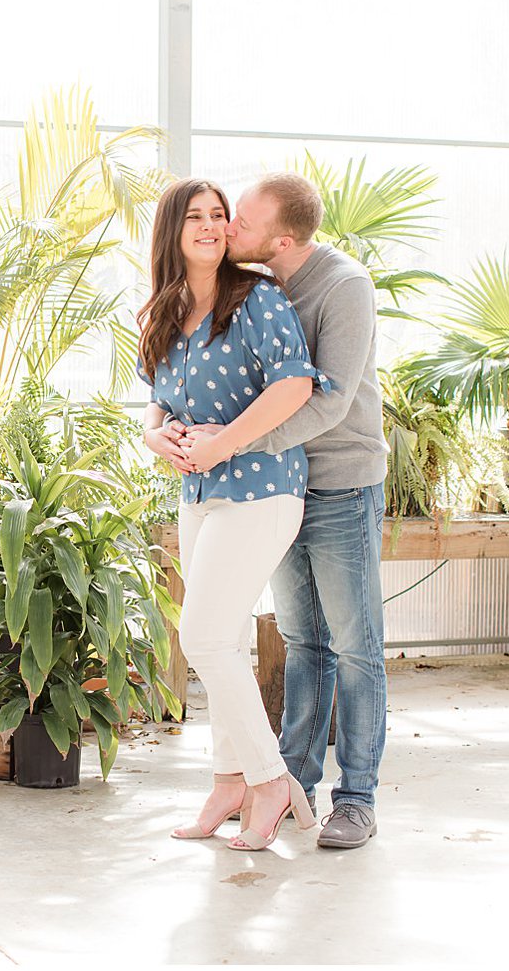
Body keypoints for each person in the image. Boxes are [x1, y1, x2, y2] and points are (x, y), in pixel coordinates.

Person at [168, 172, 388, 849]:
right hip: (278, 484)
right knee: (303, 642)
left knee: (354, 646)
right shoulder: (259, 286)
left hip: (341, 482)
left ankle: (356, 798)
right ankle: (292, 777)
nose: (228, 228)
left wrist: (234, 446)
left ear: (282, 238)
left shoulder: (342, 286)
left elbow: (328, 400)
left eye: (242, 221)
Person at [137, 177, 331, 851]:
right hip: (198, 496)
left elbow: (295, 383)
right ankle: (227, 780)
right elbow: (157, 399)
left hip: (262, 488)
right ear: (172, 230)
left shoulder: (258, 299)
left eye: (220, 215)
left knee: (205, 638)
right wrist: (153, 434)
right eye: (196, 216)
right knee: (224, 640)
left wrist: (223, 441)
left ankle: (272, 781)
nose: (213, 225)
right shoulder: (165, 309)